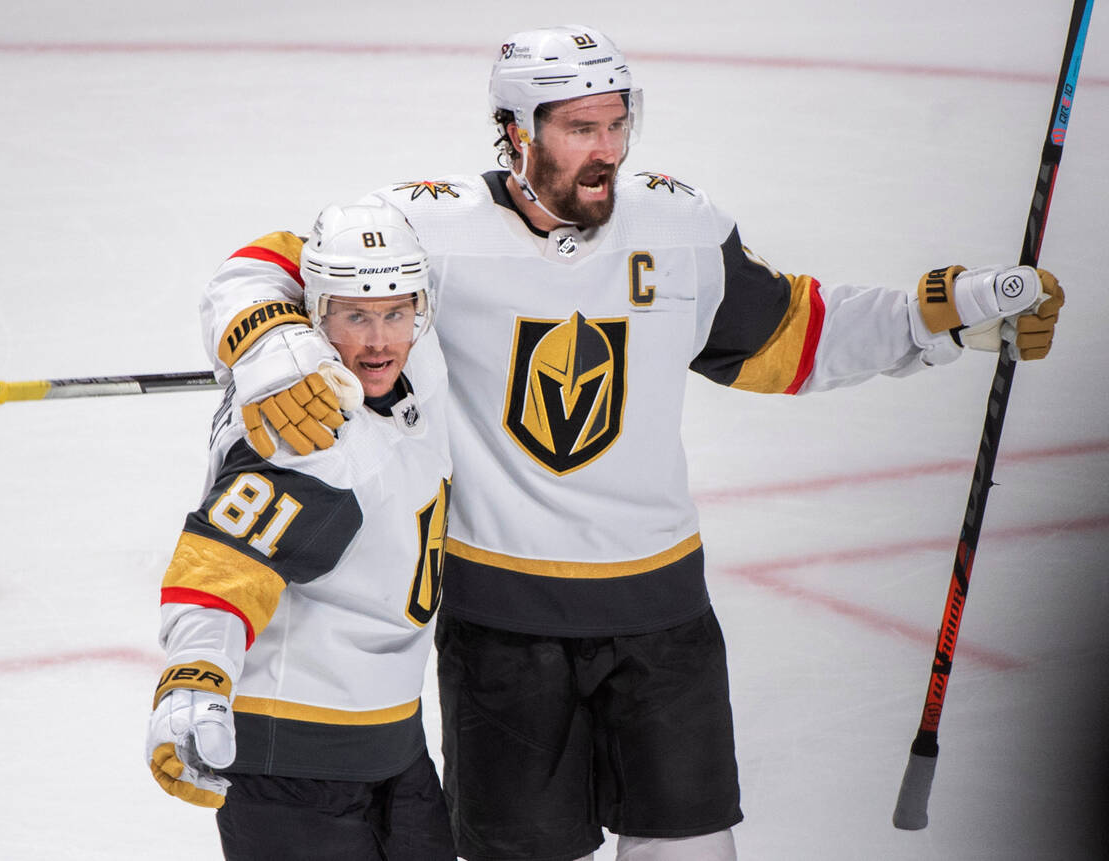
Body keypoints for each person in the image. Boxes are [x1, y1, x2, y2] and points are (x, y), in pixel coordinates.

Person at [196, 25, 1066, 861]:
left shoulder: (678, 227)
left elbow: (795, 335)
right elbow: (268, 262)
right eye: (579, 129)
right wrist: (271, 337)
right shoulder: (434, 229)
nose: (606, 148)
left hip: (664, 620)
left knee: (692, 848)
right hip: (503, 627)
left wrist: (939, 318)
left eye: (616, 124)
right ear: (513, 131)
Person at [146, 200, 456, 861]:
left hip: (397, 750)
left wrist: (260, 329)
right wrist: (195, 676)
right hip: (295, 770)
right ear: (315, 312)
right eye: (355, 315)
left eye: (396, 313)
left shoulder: (418, 367)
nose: (378, 340)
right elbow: (227, 561)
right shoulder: (307, 432)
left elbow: (281, 252)